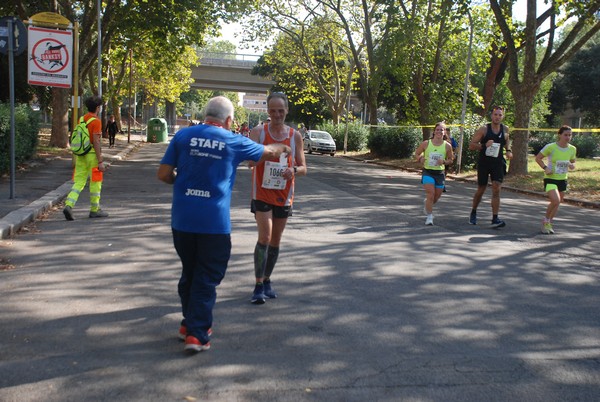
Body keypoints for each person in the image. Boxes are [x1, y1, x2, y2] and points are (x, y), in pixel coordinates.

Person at [157, 96, 291, 353]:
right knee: (207, 277)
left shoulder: (183, 136)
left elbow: (163, 174)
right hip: (213, 224)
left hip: (182, 220)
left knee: (190, 271)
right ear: (229, 120)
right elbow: (269, 152)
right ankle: (197, 334)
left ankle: (188, 323)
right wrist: (284, 149)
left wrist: (184, 183)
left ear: (206, 114)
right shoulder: (233, 140)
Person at [249, 92, 307, 304]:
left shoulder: (295, 136)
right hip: (262, 192)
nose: (276, 114)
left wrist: (293, 170)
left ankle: (267, 280)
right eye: (272, 110)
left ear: (286, 111)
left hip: (284, 194)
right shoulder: (258, 132)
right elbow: (250, 162)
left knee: (275, 240)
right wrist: (270, 153)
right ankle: (257, 285)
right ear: (267, 111)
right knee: (264, 237)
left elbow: (303, 168)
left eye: (280, 110)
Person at [63, 95, 108, 220]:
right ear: (98, 108)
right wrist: (100, 161)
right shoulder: (96, 121)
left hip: (81, 155)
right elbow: (96, 142)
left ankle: (69, 205)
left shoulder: (82, 119)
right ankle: (95, 210)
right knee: (95, 183)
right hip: (92, 155)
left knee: (79, 182)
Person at [468, 106, 512, 228]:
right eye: (495, 114)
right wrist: (484, 145)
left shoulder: (505, 129)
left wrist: (508, 150)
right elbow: (471, 145)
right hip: (484, 163)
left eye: (500, 115)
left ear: (502, 117)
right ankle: (474, 211)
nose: (497, 117)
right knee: (481, 189)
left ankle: (495, 218)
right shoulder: (484, 129)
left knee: (496, 188)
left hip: (497, 163)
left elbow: (507, 139)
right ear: (491, 116)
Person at [534, 125, 577, 234]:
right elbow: (538, 158)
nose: (568, 137)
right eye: (565, 135)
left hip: (563, 179)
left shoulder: (572, 149)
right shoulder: (551, 147)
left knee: (557, 203)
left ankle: (549, 224)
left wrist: (572, 165)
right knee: (555, 200)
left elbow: (572, 161)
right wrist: (545, 168)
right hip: (550, 178)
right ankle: (545, 221)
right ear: (559, 135)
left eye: (570, 135)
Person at [414, 122, 454, 226]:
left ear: (444, 132)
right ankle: (429, 216)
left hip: (440, 173)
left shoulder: (447, 146)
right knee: (430, 194)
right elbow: (417, 153)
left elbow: (451, 159)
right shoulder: (426, 143)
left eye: (442, 130)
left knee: (436, 197)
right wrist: (420, 158)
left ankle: (427, 205)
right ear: (434, 131)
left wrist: (444, 162)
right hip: (428, 171)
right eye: (437, 130)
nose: (439, 132)